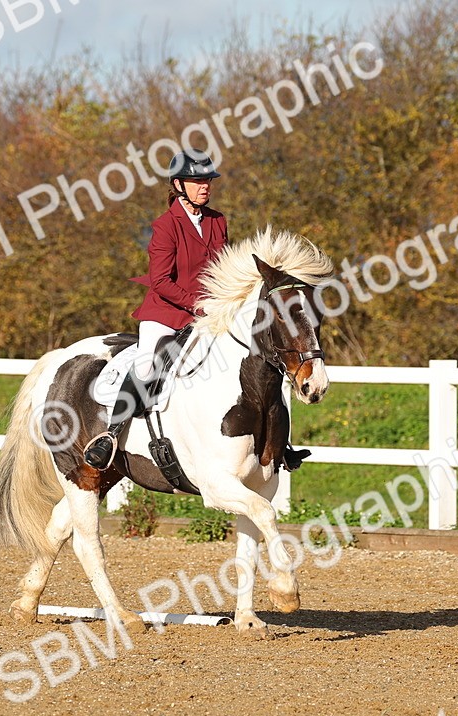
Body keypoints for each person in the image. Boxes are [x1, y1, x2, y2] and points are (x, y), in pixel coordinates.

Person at [81, 149, 309, 473]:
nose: (205, 186)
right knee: (147, 367)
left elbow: (224, 268)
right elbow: (160, 280)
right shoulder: (165, 226)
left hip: (212, 314)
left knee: (259, 363)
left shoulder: (218, 221)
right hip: (167, 314)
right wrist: (197, 305)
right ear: (178, 184)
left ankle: (279, 445)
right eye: (197, 180)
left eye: (208, 181)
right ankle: (110, 436)